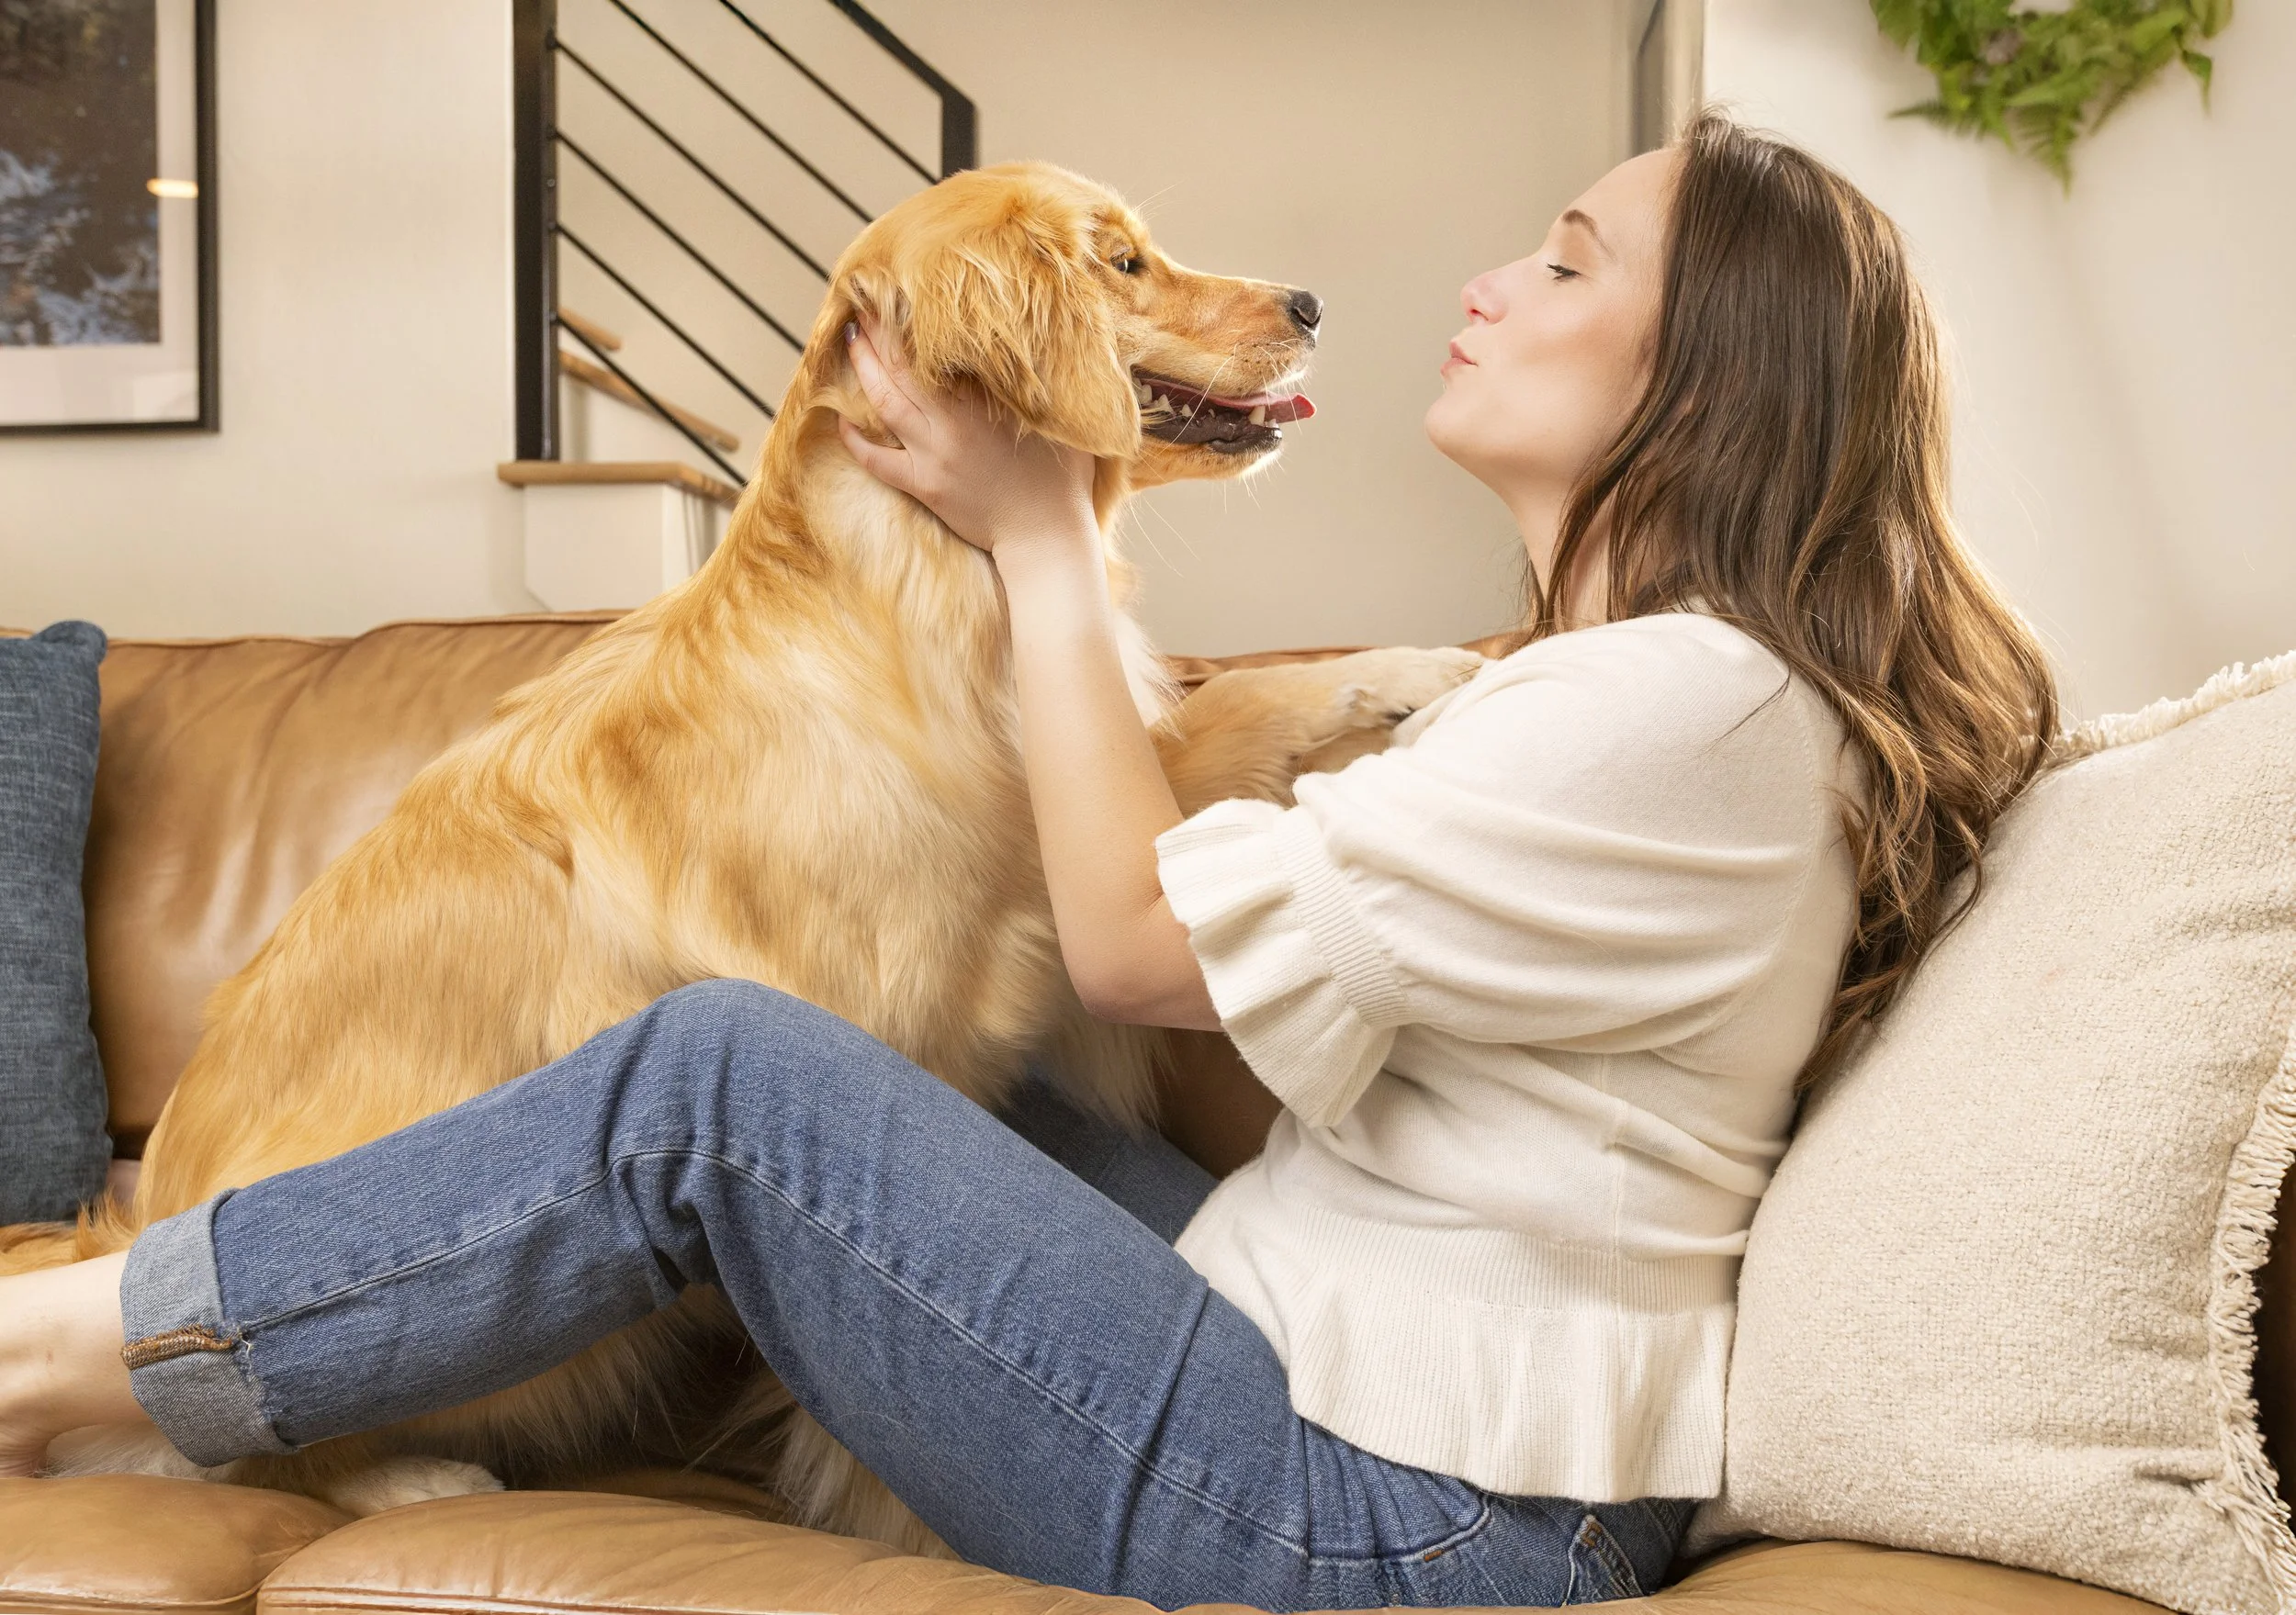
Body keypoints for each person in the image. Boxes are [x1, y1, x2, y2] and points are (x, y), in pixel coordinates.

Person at [0, 113, 2054, 1609]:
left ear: (1706, 381)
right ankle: (183, 1334)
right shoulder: (1633, 691)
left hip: (1398, 1523)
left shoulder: (1669, 704)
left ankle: (66, 1362)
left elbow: (1146, 948)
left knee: (730, 1073)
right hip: (1340, 1379)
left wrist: (1047, 534)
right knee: (881, 1081)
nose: (1489, 282)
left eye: (1568, 263)